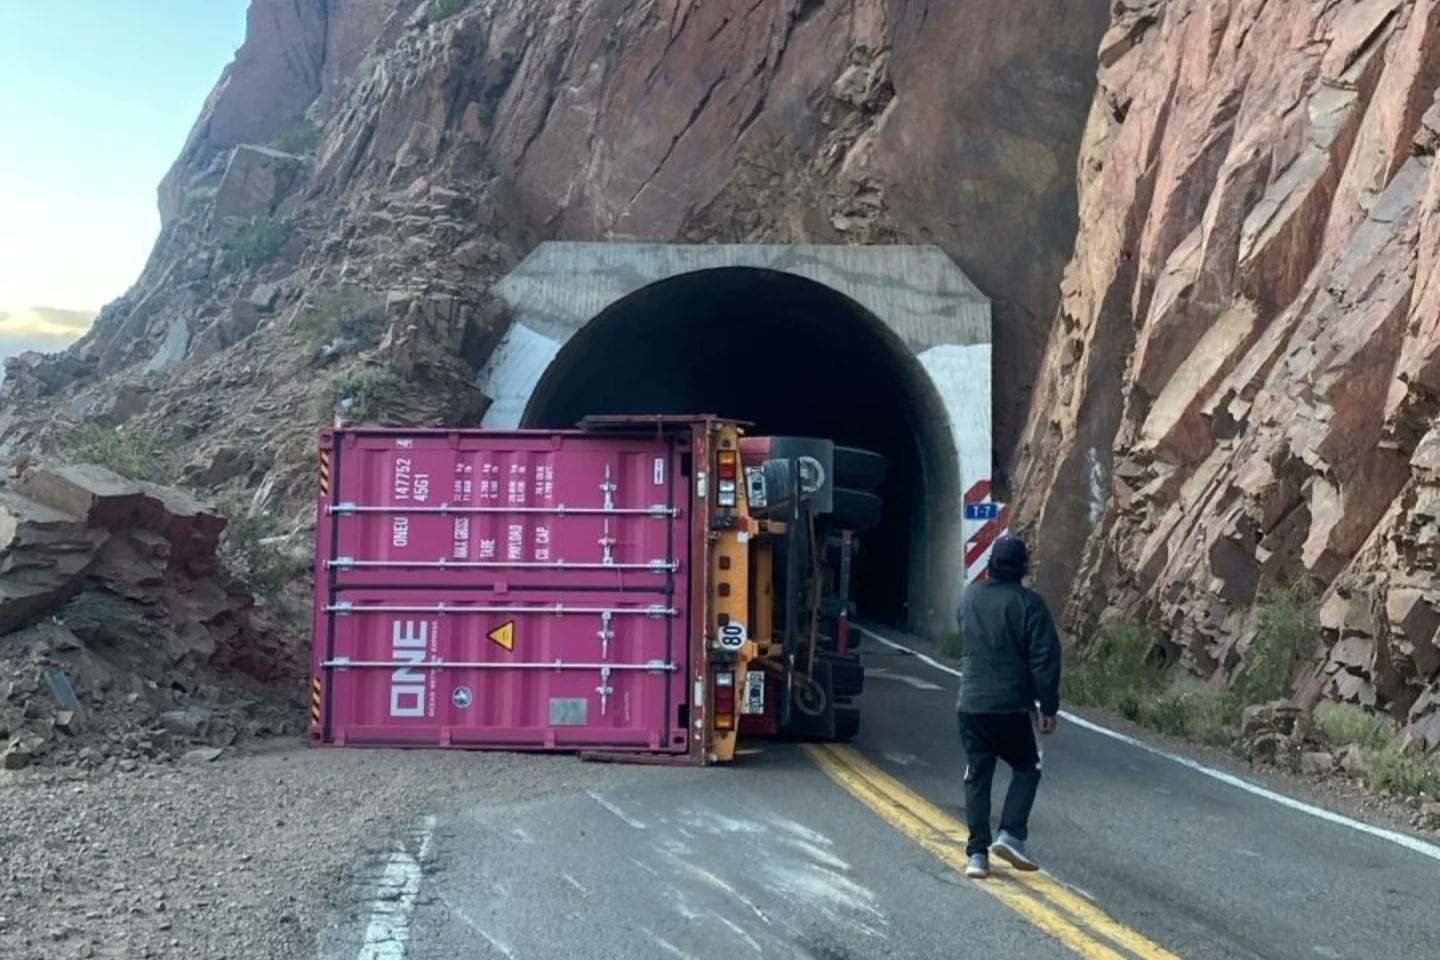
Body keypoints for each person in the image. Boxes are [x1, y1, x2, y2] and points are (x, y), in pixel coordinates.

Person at [954, 534, 1061, 879]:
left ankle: (977, 855)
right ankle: (1011, 834)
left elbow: (963, 630)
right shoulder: (1030, 605)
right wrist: (1049, 707)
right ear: (1023, 568)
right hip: (1013, 705)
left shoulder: (970, 597)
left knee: (977, 774)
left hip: (971, 703)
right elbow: (1044, 660)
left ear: (990, 565)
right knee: (1028, 766)